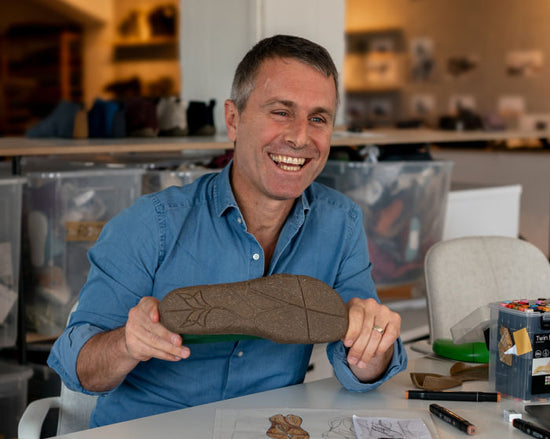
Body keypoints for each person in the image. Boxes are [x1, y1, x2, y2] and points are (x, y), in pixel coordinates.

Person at [48, 34, 407, 428]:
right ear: (233, 120)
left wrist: (373, 346)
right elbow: (78, 369)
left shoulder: (341, 223)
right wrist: (127, 344)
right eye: (281, 112)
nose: (301, 137)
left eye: (318, 119)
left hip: (268, 429)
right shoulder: (152, 224)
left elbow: (360, 372)